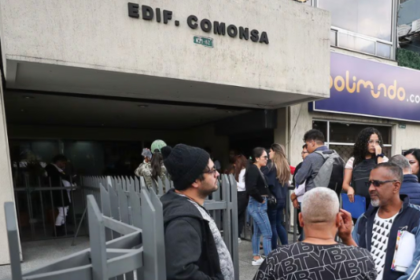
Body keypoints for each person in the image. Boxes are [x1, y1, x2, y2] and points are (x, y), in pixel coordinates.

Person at [253, 187, 377, 280]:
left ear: (301, 219)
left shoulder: (278, 259)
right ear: (339, 220)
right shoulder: (362, 259)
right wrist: (348, 238)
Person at [160, 144, 234, 280]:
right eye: (212, 170)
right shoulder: (183, 220)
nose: (217, 174)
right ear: (195, 180)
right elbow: (180, 272)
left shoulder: (184, 205)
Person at [338, 162, 420, 280]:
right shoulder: (364, 219)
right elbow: (356, 260)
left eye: (377, 183)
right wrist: (347, 238)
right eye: (369, 183)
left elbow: (417, 267)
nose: (371, 189)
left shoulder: (416, 217)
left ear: (396, 186)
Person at [343, 127, 388, 212]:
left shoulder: (383, 159)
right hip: (358, 203)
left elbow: (383, 176)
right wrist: (349, 188)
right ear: (363, 142)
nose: (374, 145)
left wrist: (379, 156)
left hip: (377, 203)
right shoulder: (353, 160)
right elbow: (345, 184)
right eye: (370, 141)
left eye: (377, 142)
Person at [246, 147, 272, 265]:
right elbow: (251, 188)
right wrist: (261, 200)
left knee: (257, 233)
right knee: (267, 233)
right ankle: (269, 261)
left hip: (258, 203)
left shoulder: (256, 169)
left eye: (267, 156)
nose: (267, 159)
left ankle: (257, 257)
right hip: (258, 204)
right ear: (257, 158)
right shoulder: (253, 169)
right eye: (264, 157)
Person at [262, 143, 290, 249]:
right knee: (279, 224)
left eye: (270, 151)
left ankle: (273, 250)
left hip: (273, 199)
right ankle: (286, 248)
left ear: (274, 151)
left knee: (272, 226)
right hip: (282, 198)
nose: (269, 153)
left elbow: (268, 183)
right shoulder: (285, 165)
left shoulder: (272, 166)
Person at [45, 154, 74, 236]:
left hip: (60, 193)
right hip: (58, 193)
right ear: (58, 162)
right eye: (63, 163)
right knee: (63, 212)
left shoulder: (53, 169)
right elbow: (57, 178)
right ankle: (58, 230)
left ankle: (61, 229)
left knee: (64, 211)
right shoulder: (51, 169)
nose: (64, 165)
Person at [290, 144, 309, 241]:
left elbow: (304, 185)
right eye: (302, 152)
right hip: (299, 199)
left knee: (306, 225)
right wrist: (295, 198)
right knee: (300, 223)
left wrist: (294, 195)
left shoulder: (311, 165)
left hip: (307, 200)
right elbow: (296, 183)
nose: (302, 154)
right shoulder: (300, 166)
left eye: (304, 152)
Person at [234, 154, 248, 242]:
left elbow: (244, 186)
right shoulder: (239, 171)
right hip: (238, 194)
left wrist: (235, 183)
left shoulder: (245, 171)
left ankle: (237, 235)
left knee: (237, 214)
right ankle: (237, 235)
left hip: (242, 194)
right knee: (240, 215)